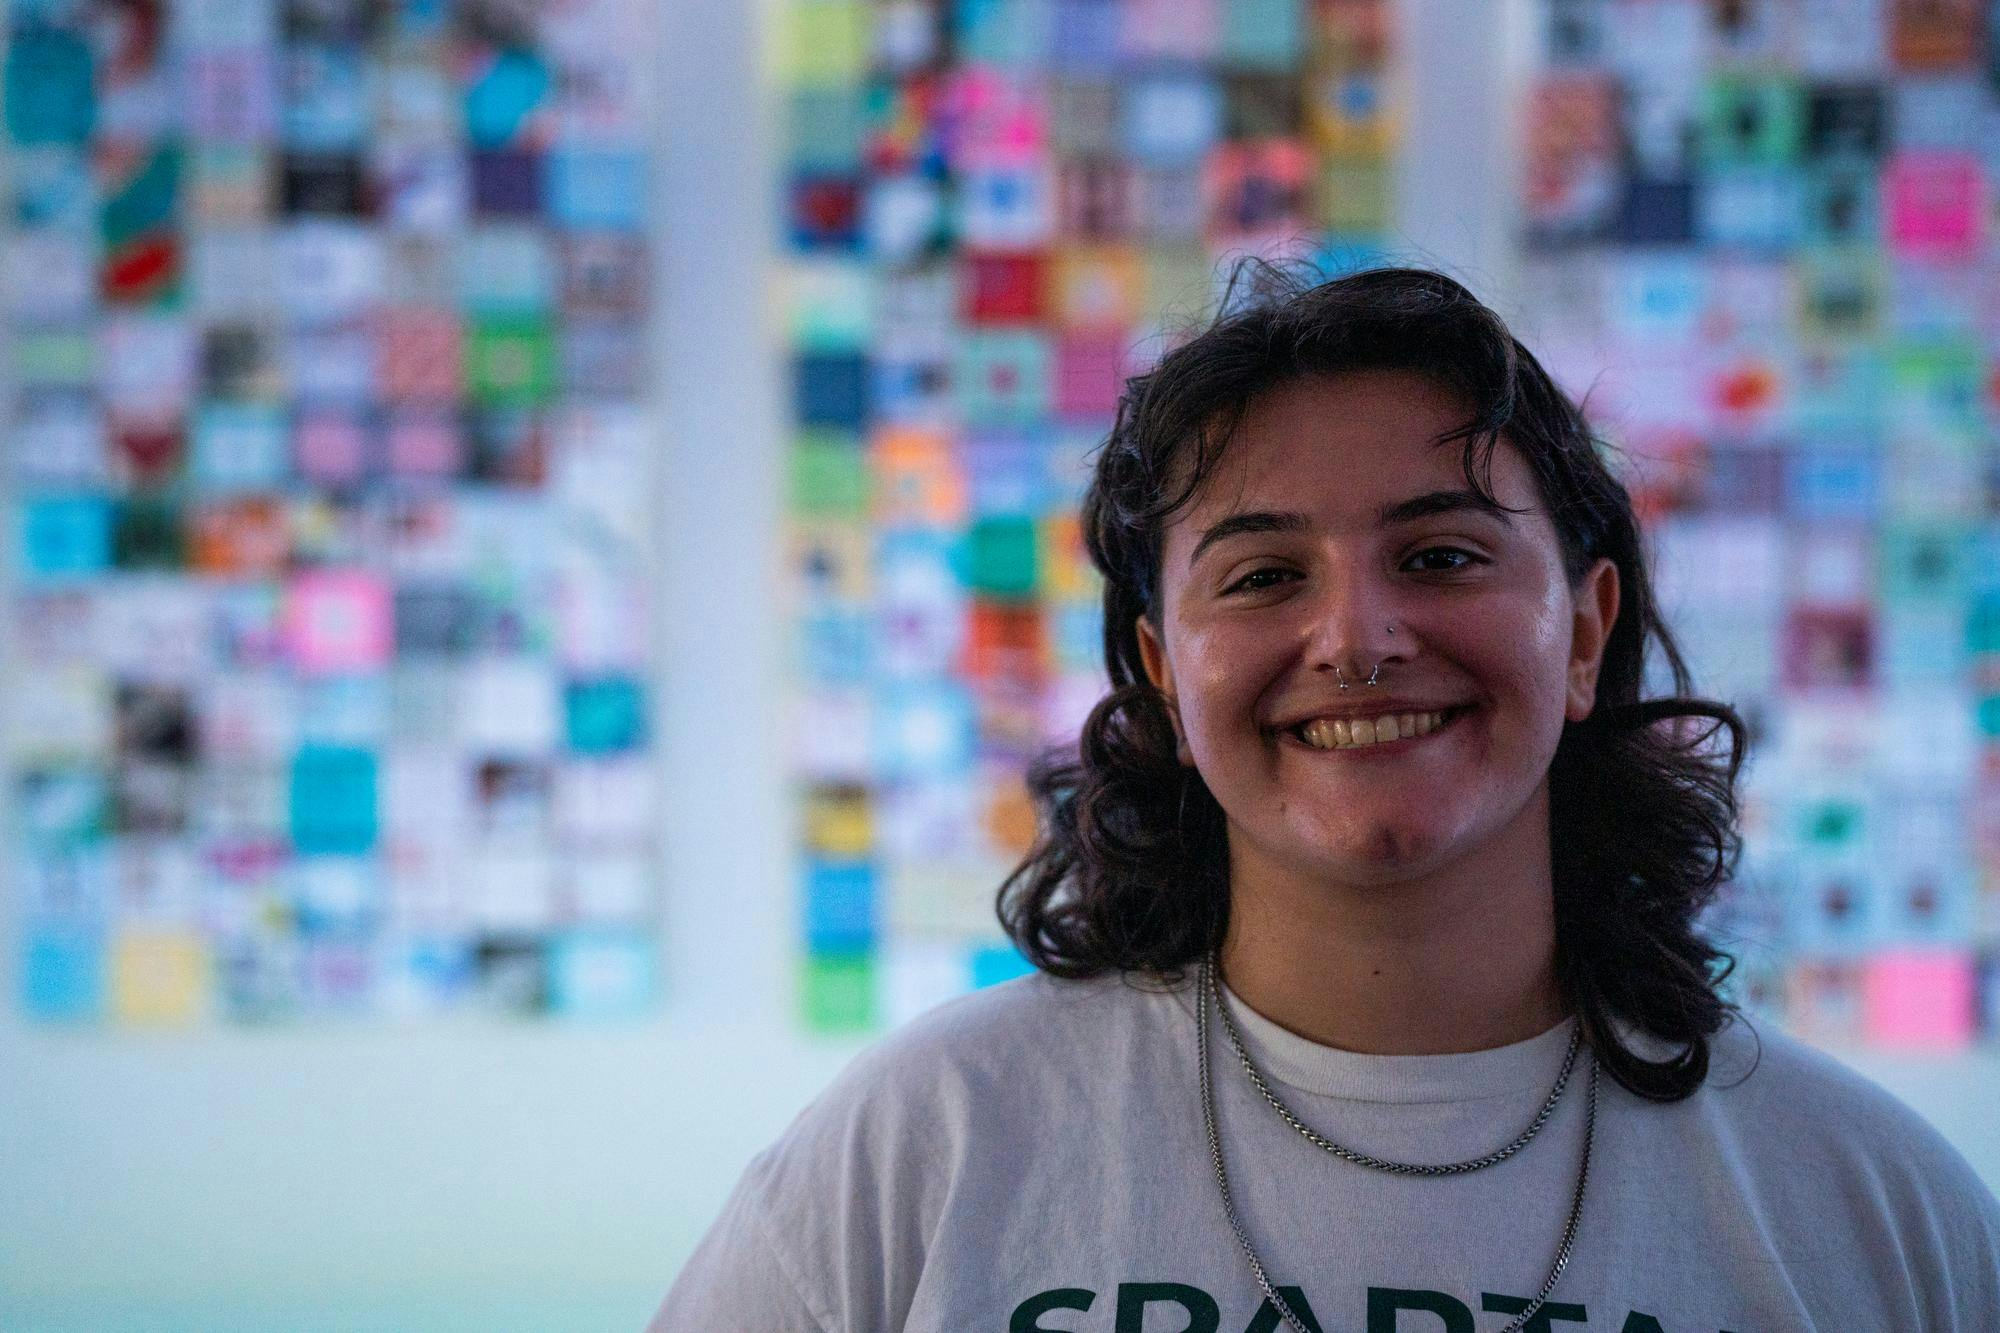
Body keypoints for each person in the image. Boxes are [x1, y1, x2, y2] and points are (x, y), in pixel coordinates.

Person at [652, 266, 2000, 1331]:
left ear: (1586, 633)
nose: (1359, 637)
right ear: (1160, 669)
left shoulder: (1873, 1210)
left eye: (1441, 552)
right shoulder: (924, 1151)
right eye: (1261, 575)